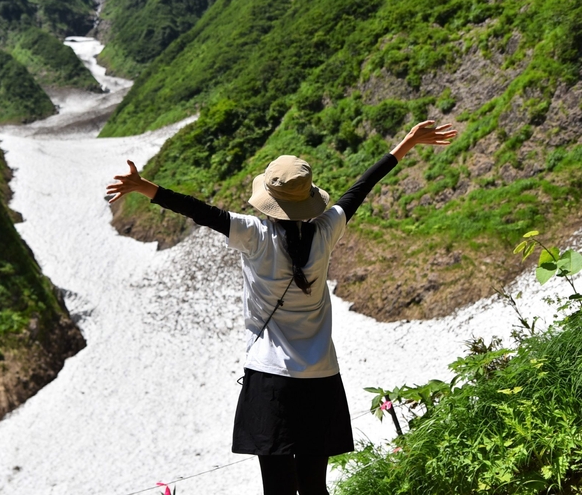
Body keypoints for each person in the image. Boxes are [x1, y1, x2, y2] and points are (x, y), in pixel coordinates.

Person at [106, 120, 457, 495]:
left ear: (269, 201)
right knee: (314, 489)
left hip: (270, 380)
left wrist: (143, 186)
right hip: (320, 378)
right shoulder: (326, 231)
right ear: (308, 199)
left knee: (277, 491)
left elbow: (200, 211)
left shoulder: (253, 235)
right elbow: (361, 188)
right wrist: (405, 143)